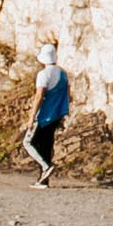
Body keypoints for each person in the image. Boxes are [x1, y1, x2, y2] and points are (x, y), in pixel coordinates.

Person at [22, 44, 69, 187]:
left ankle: (46, 167)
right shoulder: (63, 74)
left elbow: (39, 96)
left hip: (44, 116)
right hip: (56, 115)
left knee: (28, 142)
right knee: (46, 146)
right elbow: (66, 95)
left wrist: (31, 117)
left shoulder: (43, 75)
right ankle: (43, 179)